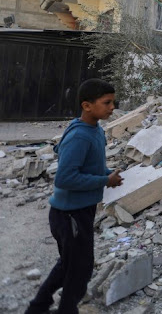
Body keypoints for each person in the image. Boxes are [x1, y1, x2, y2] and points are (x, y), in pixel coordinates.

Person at [26, 78, 123, 314]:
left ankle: (38, 307)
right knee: (79, 269)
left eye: (113, 102)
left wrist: (106, 173)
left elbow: (86, 166)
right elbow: (65, 178)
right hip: (70, 214)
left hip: (79, 211)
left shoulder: (94, 129)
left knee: (69, 264)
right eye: (107, 102)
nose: (112, 107)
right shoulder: (80, 135)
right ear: (87, 106)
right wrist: (103, 181)